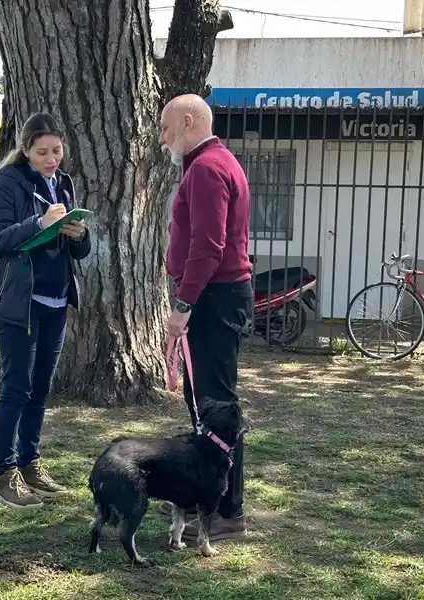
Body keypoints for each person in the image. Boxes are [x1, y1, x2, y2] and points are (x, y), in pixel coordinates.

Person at [0, 112, 91, 509]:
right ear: (25, 150)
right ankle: (2, 477)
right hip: (18, 302)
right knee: (17, 388)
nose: (51, 159)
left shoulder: (64, 183)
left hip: (56, 300)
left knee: (41, 389)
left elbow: (77, 250)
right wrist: (37, 223)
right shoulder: (10, 181)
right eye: (42, 151)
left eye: (57, 150)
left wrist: (79, 236)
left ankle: (30, 465)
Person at [159, 94, 254, 540]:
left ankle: (226, 511)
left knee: (216, 409)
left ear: (189, 121)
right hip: (214, 296)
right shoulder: (207, 164)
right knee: (204, 406)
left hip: (214, 299)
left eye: (165, 128)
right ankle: (208, 502)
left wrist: (182, 306)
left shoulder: (208, 168)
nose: (161, 139)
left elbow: (208, 247)